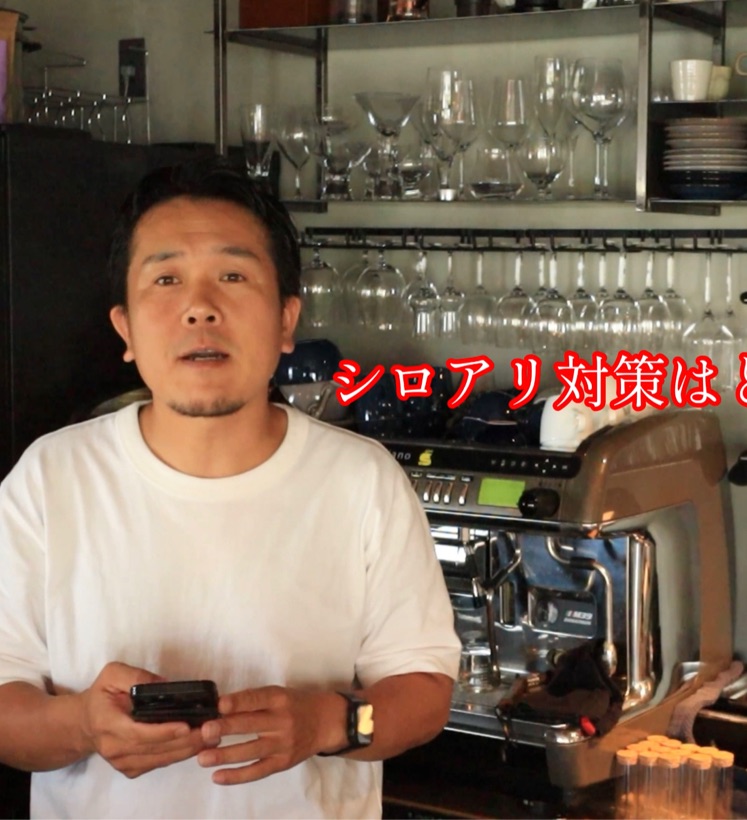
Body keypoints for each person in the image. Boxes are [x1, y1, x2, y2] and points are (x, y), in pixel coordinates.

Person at [0, 158, 461, 819]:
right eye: (166, 279)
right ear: (125, 329)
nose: (199, 308)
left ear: (285, 320)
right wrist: (83, 725)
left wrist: (328, 723)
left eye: (233, 276)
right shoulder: (50, 478)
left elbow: (422, 692)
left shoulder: (362, 481)